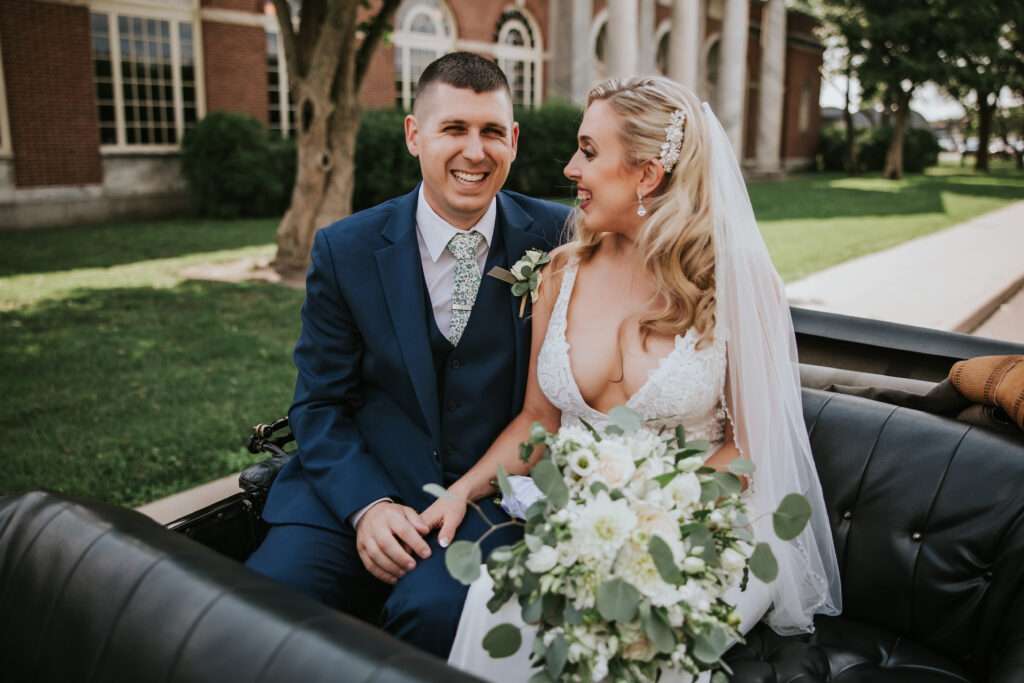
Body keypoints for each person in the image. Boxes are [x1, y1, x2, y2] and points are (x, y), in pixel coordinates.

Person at [420, 76, 843, 680]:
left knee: (614, 627)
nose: (570, 167)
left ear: (646, 175)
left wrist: (649, 520)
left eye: (589, 151)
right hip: (582, 522)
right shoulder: (560, 272)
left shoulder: (734, 281)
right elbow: (539, 422)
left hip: (712, 523)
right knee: (499, 600)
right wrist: (464, 491)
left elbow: (748, 448)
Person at [244, 52, 571, 658]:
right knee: (266, 602)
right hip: (350, 489)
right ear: (414, 135)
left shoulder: (560, 238)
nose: (475, 151)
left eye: (491, 131)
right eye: (454, 129)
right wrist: (367, 507)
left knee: (435, 616)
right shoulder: (346, 248)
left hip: (489, 497)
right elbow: (319, 405)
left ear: (514, 141)